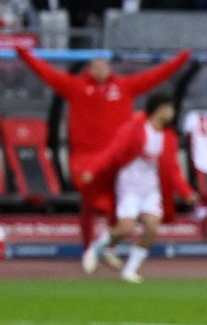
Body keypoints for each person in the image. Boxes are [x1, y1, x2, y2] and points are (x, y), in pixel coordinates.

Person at [15, 48, 191, 260]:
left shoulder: (124, 87)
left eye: (104, 65)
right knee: (89, 198)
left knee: (116, 201)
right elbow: (46, 73)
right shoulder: (75, 86)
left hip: (116, 157)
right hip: (84, 158)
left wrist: (182, 59)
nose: (100, 69)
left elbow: (156, 76)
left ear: (109, 67)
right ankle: (89, 245)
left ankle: (108, 246)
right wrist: (24, 53)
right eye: (96, 65)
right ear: (89, 68)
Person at [75, 90, 195, 283]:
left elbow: (172, 168)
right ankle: (95, 249)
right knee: (125, 228)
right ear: (159, 109)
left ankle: (130, 270)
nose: (172, 113)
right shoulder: (135, 128)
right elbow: (113, 150)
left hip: (150, 188)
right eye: (169, 108)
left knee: (152, 226)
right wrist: (92, 170)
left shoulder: (168, 137)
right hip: (129, 185)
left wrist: (186, 192)